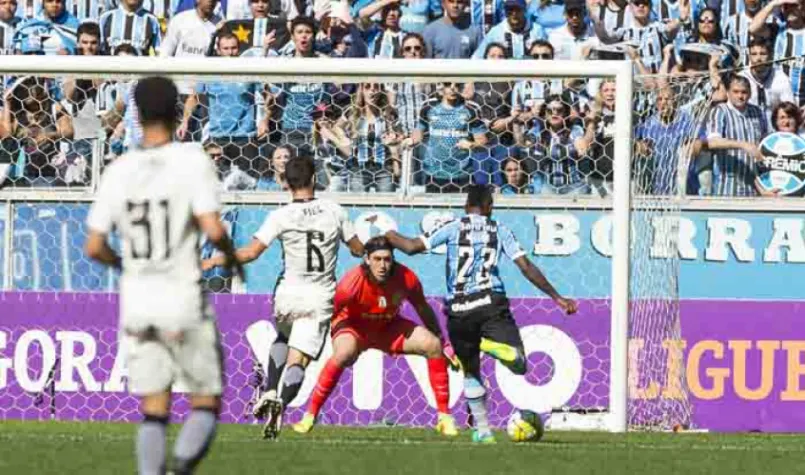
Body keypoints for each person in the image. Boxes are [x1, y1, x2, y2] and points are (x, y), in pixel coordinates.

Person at [83, 76, 243, 475]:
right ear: (177, 112)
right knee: (206, 400)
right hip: (182, 296)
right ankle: (181, 468)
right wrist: (232, 258)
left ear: (135, 114)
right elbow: (212, 228)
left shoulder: (120, 168)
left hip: (138, 300)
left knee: (154, 408)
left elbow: (93, 246)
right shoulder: (192, 161)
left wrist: (125, 266)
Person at [383, 184, 577, 443]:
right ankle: (498, 348)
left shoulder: (452, 226)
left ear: (466, 206)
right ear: (490, 207)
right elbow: (526, 266)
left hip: (458, 309)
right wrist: (557, 297)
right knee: (519, 363)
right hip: (490, 303)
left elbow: (411, 247)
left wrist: (390, 234)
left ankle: (483, 432)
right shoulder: (499, 230)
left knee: (471, 371)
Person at [201, 155, 364, 439]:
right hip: (319, 296)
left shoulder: (280, 215)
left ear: (286, 183)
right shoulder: (335, 211)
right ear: (315, 179)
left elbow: (251, 253)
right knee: (299, 361)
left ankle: (270, 390)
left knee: (283, 337)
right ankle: (281, 401)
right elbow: (357, 249)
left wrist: (215, 261)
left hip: (288, 292)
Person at [292, 236, 460, 436]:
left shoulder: (407, 278)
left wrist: (443, 341)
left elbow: (422, 308)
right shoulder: (350, 284)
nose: (383, 265)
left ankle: (444, 417)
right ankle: (310, 416)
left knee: (432, 345)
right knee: (344, 352)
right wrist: (329, 337)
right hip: (355, 327)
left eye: (387, 259)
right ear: (367, 259)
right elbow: (332, 313)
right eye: (377, 259)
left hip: (388, 328)